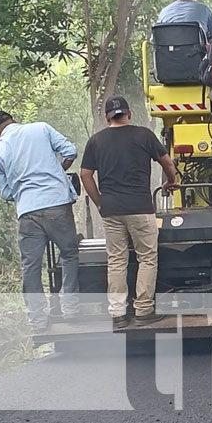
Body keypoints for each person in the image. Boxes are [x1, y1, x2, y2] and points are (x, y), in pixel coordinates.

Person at [80, 96, 179, 329]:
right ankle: (143, 311)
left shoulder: (96, 141)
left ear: (107, 117)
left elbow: (85, 174)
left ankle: (117, 314)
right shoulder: (143, 135)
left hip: (111, 210)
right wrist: (171, 181)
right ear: (129, 114)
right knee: (146, 258)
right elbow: (167, 162)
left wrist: (100, 202)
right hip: (140, 208)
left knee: (116, 261)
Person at [0, 111, 80, 331]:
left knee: (31, 266)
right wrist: (57, 173)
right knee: (68, 254)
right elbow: (71, 151)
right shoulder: (41, 128)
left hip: (28, 212)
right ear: (14, 120)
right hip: (57, 203)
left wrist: (23, 191)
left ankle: (37, 320)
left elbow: (6, 193)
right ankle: (71, 309)